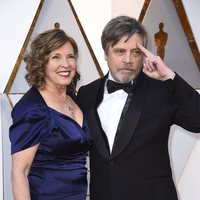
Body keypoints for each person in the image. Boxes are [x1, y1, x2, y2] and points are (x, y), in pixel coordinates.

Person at [77, 15, 200, 200]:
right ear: (105, 53)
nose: (128, 59)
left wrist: (170, 76)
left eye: (135, 52)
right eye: (119, 51)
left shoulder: (162, 91)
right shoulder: (86, 94)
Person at [9, 29, 91, 200]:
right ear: (41, 63)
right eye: (56, 57)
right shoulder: (33, 108)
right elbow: (20, 172)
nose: (66, 64)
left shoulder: (73, 98)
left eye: (70, 56)